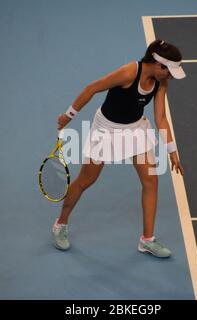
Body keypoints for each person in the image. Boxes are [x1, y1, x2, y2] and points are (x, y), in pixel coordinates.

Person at [53, 39, 185, 258]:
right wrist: (68, 116)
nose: (171, 75)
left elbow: (160, 118)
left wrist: (172, 151)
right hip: (106, 129)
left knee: (151, 180)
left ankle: (147, 240)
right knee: (86, 180)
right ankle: (60, 224)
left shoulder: (162, 82)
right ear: (157, 63)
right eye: (169, 70)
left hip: (135, 128)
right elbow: (92, 88)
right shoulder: (129, 72)